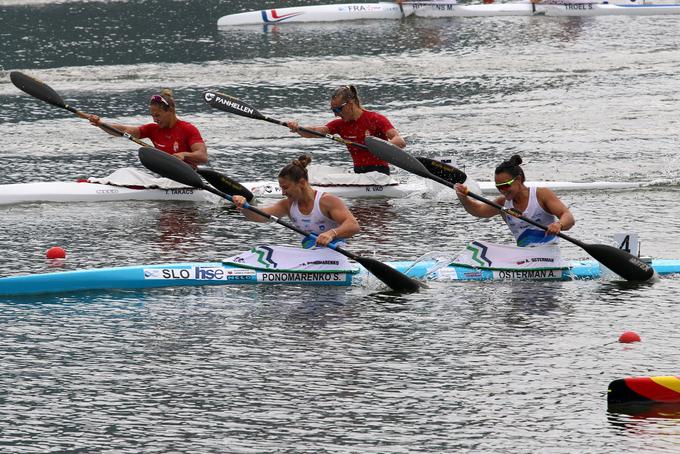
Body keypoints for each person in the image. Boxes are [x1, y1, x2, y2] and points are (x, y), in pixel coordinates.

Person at [231, 154, 360, 247]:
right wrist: (245, 206)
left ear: (302, 183)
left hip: (337, 253)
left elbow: (353, 226)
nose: (283, 193)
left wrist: (332, 233)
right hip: (310, 253)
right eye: (281, 188)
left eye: (286, 187)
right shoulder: (287, 205)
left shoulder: (327, 201)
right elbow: (260, 217)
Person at [454, 155, 575, 247]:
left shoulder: (541, 194)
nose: (502, 190)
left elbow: (568, 217)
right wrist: (463, 198)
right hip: (524, 257)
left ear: (518, 179)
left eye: (505, 186)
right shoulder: (503, 204)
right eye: (498, 187)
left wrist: (559, 225)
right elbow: (478, 210)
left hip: (549, 256)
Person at [285, 85, 405, 175]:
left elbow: (400, 141)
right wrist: (298, 128)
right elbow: (316, 131)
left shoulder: (375, 119)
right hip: (358, 173)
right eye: (333, 111)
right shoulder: (340, 124)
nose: (336, 115)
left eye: (338, 110)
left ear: (350, 104)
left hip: (380, 174)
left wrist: (380, 148)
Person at [86, 89, 208, 167]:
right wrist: (101, 124)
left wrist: (184, 155)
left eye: (158, 115)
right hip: (165, 178)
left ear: (170, 111)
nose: (154, 119)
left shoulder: (188, 129)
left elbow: (202, 156)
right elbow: (123, 131)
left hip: (188, 178)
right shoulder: (152, 129)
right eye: (152, 115)